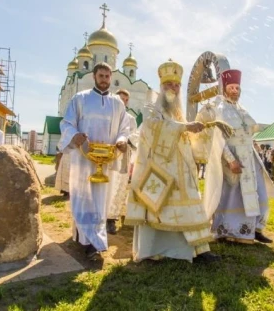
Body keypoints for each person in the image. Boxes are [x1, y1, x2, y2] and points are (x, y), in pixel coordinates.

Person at [124, 59, 220, 263]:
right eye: (169, 85)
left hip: (183, 170)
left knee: (192, 205)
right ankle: (152, 250)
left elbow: (187, 139)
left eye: (177, 85)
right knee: (159, 208)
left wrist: (202, 127)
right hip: (160, 170)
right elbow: (151, 128)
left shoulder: (178, 113)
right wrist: (184, 127)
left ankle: (199, 250)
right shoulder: (152, 107)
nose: (173, 89)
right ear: (161, 86)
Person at [195, 69, 274, 244]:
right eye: (232, 87)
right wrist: (231, 160)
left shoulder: (241, 109)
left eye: (237, 88)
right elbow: (216, 139)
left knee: (259, 193)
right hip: (231, 157)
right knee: (232, 196)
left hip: (250, 157)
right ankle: (228, 230)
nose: (235, 91)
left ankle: (255, 229)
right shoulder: (218, 108)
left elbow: (248, 133)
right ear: (225, 88)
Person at [57, 62, 131, 260]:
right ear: (94, 76)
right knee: (83, 197)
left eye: (108, 76)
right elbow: (67, 123)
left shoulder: (117, 103)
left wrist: (122, 141)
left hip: (105, 161)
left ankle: (95, 242)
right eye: (101, 76)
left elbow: (124, 128)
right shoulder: (80, 99)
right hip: (84, 159)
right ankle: (84, 237)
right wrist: (75, 135)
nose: (105, 80)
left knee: (100, 199)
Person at [107, 89, 139, 234]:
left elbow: (135, 135)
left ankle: (111, 219)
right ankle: (100, 217)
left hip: (122, 157)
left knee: (118, 188)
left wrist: (126, 140)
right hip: (107, 156)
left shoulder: (130, 118)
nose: (124, 102)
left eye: (126, 100)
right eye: (121, 99)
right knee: (105, 187)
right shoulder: (107, 115)